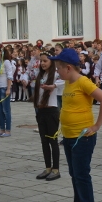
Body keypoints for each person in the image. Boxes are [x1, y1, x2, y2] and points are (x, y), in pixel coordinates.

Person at [52, 48, 102, 202]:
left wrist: (96, 126)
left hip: (83, 138)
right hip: (69, 137)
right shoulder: (68, 82)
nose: (57, 72)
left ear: (68, 68)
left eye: (58, 68)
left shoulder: (83, 82)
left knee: (82, 175)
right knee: (74, 174)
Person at [33, 51, 63, 181]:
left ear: (52, 62)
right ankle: (47, 167)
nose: (43, 63)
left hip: (52, 112)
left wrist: (53, 85)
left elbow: (66, 81)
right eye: (41, 61)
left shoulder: (56, 74)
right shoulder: (40, 75)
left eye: (45, 61)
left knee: (52, 141)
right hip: (41, 111)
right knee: (44, 141)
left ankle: (56, 169)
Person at [0, 47, 14, 138]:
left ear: (1, 52)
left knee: (6, 110)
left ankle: (8, 130)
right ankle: (2, 129)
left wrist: (8, 88)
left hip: (4, 88)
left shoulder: (6, 62)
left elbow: (10, 75)